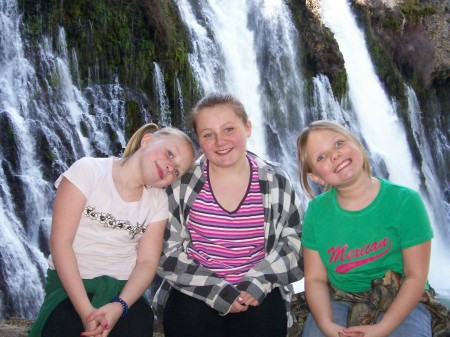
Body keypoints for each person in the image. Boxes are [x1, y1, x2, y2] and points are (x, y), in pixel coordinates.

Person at [152, 93, 304, 337]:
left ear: (248, 128)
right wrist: (216, 291)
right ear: (199, 140)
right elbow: (164, 251)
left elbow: (296, 241)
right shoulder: (182, 185)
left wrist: (259, 281)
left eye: (229, 129)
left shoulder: (276, 181)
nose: (220, 141)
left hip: (257, 287)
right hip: (195, 287)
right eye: (208, 134)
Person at [29, 123, 195, 337]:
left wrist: (120, 305)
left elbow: (147, 262)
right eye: (170, 154)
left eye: (177, 171)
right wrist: (85, 311)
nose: (170, 168)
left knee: (137, 327)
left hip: (124, 290)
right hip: (69, 285)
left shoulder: (157, 200)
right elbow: (61, 243)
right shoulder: (88, 171)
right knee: (62, 327)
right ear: (147, 141)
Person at [296, 120, 443, 337]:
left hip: (401, 296)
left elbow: (416, 276)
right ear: (316, 177)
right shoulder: (316, 212)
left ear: (358, 144)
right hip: (339, 297)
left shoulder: (405, 201)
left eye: (339, 144)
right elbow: (315, 278)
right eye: (321, 157)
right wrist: (327, 325)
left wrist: (383, 328)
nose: (334, 155)